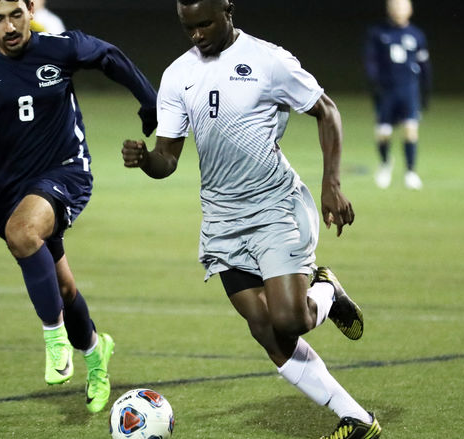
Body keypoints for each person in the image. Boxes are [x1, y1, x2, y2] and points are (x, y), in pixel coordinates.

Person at [121, 1, 381, 438]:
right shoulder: (177, 75)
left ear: (228, 10)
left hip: (274, 207)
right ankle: (357, 420)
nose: (197, 35)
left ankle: (326, 292)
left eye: (205, 24)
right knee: (267, 331)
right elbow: (168, 158)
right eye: (188, 28)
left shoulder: (268, 61)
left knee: (290, 320)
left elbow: (327, 111)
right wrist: (147, 159)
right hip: (222, 220)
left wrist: (331, 184)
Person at [0, 0, 158, 413]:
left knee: (22, 233)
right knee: (61, 287)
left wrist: (150, 102)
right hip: (11, 190)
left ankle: (54, 337)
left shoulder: (60, 47)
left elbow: (110, 57)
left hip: (66, 172)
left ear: (30, 10)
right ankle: (97, 355)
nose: (9, 27)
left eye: (16, 15)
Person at [365, 0, 431, 190]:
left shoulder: (416, 35)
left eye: (402, 6)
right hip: (386, 91)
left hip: (409, 90)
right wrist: (375, 84)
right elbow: (371, 62)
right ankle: (385, 164)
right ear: (388, 9)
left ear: (410, 9)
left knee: (410, 130)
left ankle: (410, 172)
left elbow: (425, 65)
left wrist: (426, 91)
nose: (398, 10)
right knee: (383, 133)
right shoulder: (378, 33)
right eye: (395, 6)